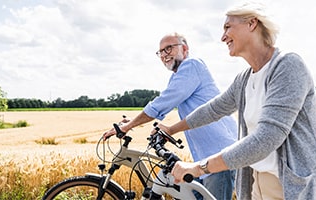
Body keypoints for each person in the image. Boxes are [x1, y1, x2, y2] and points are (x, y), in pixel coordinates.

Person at [158, 3, 316, 200]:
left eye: (227, 27)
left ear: (252, 23)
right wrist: (171, 130)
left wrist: (199, 167)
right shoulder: (244, 79)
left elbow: (265, 139)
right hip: (257, 181)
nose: (222, 37)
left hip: (293, 187)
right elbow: (212, 110)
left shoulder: (288, 66)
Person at [102, 32, 238, 199]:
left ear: (185, 49)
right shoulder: (178, 75)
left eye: (169, 48)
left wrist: (127, 127)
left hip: (218, 152)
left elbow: (163, 102)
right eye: (161, 52)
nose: (164, 54)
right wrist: (134, 121)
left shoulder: (191, 65)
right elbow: (164, 106)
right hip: (204, 158)